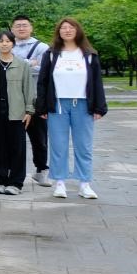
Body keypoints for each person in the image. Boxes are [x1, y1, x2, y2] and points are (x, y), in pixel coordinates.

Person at [36, 17, 107, 200]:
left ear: (77, 30)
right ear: (58, 32)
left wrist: (99, 107)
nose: (67, 30)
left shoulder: (89, 55)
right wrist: (42, 107)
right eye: (63, 28)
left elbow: (97, 82)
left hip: (83, 105)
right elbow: (43, 82)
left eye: (71, 27)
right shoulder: (51, 54)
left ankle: (85, 184)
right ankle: (60, 183)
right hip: (58, 105)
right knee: (58, 145)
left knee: (84, 146)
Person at [0, 31, 35, 195]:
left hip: (17, 112)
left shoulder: (22, 65)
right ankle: (1, 180)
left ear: (13, 44)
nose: (4, 44)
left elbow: (29, 88)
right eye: (1, 41)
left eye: (8, 41)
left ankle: (16, 183)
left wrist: (29, 110)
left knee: (17, 148)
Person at [11, 15, 52, 187]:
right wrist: (30, 63)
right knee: (13, 139)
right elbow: (4, 68)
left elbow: (44, 71)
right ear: (12, 29)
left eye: (24, 25)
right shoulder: (6, 45)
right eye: (18, 25)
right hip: (13, 100)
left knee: (39, 138)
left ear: (31, 28)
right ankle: (13, 172)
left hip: (36, 100)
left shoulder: (42, 47)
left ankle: (41, 170)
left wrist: (19, 65)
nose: (21, 28)